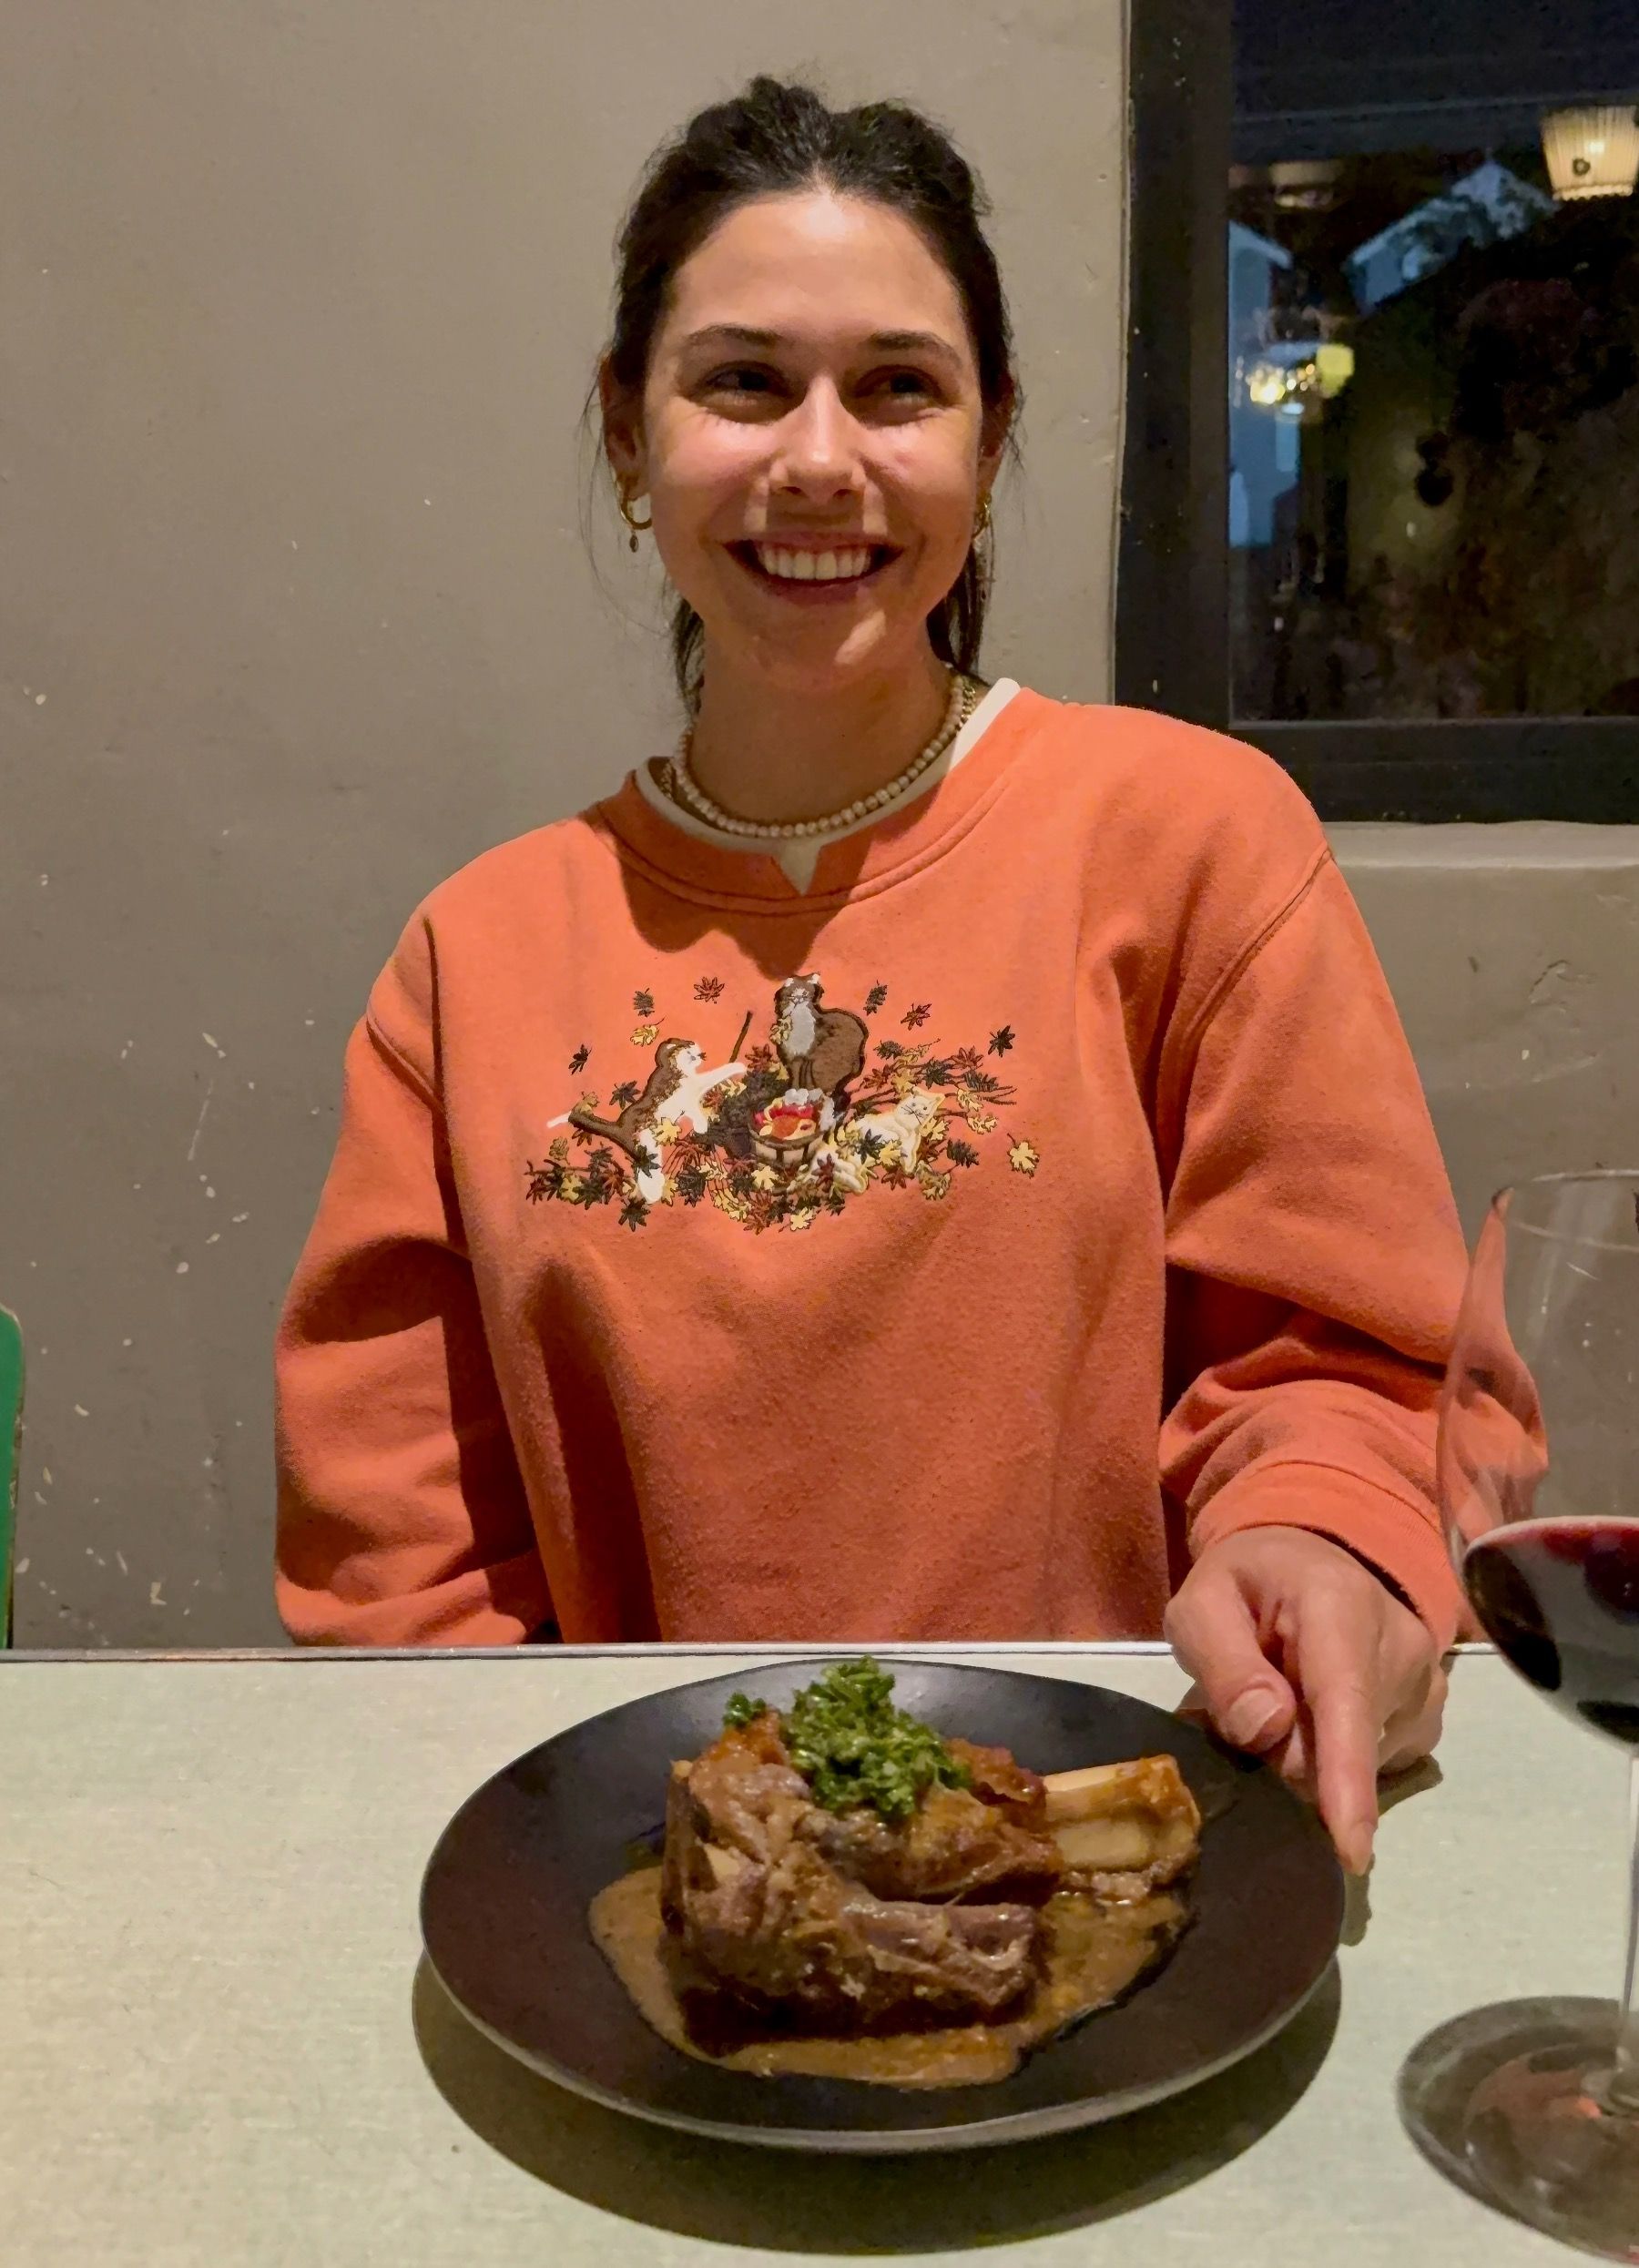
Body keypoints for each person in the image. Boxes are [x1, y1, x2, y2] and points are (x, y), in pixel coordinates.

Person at [275, 77, 1467, 1876]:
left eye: (899, 388)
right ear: (628, 433)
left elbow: (1350, 1365)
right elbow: (403, 1565)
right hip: (649, 1899)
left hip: (1108, 1858)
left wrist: (1323, 1533)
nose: (818, 458)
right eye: (743, 381)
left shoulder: (1193, 840)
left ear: (988, 446)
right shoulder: (476, 957)